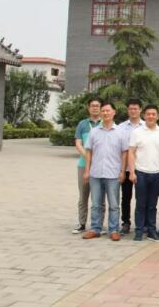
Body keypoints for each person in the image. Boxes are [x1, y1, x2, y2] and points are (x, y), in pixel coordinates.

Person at [82, 101, 127, 241]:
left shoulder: (121, 132)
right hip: (95, 173)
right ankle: (95, 229)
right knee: (96, 204)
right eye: (103, 111)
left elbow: (124, 153)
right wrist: (87, 170)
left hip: (113, 174)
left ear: (114, 112)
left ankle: (114, 230)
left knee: (114, 204)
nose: (106, 113)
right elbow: (88, 152)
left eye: (108, 110)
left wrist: (122, 171)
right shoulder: (94, 132)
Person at [127, 105, 159, 242]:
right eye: (148, 114)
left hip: (157, 173)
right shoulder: (137, 132)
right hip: (141, 173)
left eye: (153, 114)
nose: (151, 116)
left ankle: (152, 231)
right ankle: (139, 231)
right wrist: (132, 172)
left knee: (152, 205)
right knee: (141, 204)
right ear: (144, 116)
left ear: (158, 116)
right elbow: (131, 152)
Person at [72, 97, 102, 234]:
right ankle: (82, 223)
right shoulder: (82, 124)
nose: (95, 108)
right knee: (83, 195)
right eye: (92, 106)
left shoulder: (105, 123)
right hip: (83, 164)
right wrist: (88, 156)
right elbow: (78, 143)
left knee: (100, 197)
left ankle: (99, 224)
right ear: (88, 108)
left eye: (97, 106)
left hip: (101, 165)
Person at [118, 98, 145, 234]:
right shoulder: (121, 127)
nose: (133, 111)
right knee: (126, 197)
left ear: (140, 110)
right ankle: (126, 222)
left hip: (142, 168)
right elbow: (120, 149)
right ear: (127, 110)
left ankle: (143, 223)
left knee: (142, 197)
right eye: (130, 109)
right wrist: (122, 170)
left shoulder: (146, 125)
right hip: (127, 168)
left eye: (135, 108)